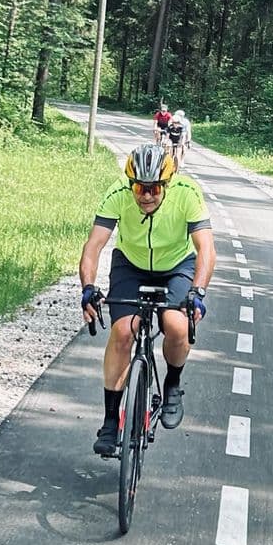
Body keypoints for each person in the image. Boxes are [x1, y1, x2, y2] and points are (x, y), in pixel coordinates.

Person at [79, 142, 216, 456]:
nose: (147, 195)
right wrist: (88, 286)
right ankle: (111, 421)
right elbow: (93, 245)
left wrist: (198, 292)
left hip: (177, 266)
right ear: (130, 183)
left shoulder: (187, 193)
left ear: (166, 184)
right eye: (140, 187)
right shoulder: (117, 194)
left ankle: (172, 384)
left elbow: (206, 249)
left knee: (177, 325)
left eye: (154, 188)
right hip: (131, 264)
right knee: (123, 332)